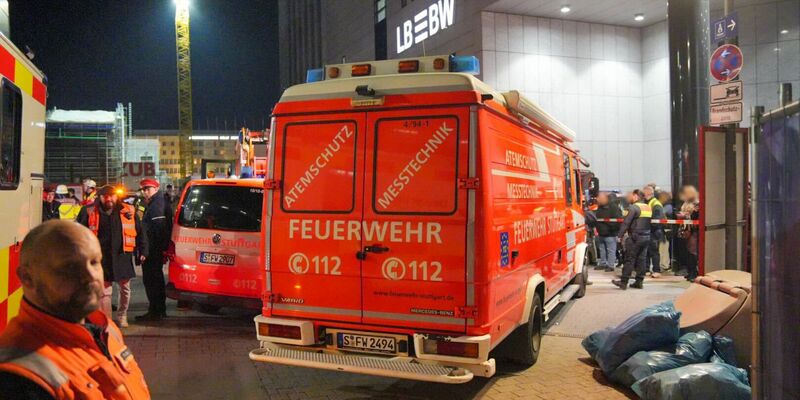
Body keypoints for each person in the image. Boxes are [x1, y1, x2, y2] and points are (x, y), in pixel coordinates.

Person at [0, 221, 150, 399]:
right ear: (27, 277)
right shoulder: (17, 378)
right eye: (70, 267)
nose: (90, 276)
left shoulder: (106, 329)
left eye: (95, 262)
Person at [76, 185, 148, 327]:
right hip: (101, 258)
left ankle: (122, 316)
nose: (109, 199)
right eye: (105, 196)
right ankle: (107, 320)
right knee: (105, 291)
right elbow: (79, 233)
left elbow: (140, 232)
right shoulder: (88, 211)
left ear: (117, 196)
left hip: (122, 256)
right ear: (100, 197)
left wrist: (143, 251)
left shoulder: (128, 211)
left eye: (112, 196)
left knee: (125, 289)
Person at [137, 178, 172, 321]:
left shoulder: (157, 204)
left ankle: (155, 311)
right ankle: (158, 310)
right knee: (155, 280)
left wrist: (153, 250)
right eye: (143, 189)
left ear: (156, 189)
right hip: (154, 249)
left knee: (152, 280)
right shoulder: (155, 202)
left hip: (153, 250)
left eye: (148, 189)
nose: (145, 192)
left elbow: (159, 229)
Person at [612, 190, 652, 290]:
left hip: (635, 237)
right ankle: (639, 282)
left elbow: (626, 223)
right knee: (642, 260)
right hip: (646, 236)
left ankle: (623, 282)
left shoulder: (633, 207)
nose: (630, 197)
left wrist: (619, 235)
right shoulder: (648, 207)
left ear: (636, 196)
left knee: (629, 259)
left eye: (632, 195)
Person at [676, 185, 700, 281]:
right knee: (687, 251)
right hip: (686, 229)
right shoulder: (687, 202)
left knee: (692, 252)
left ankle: (693, 273)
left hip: (693, 230)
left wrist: (685, 215)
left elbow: (695, 215)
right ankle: (690, 271)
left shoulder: (696, 203)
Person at [593, 193, 622, 272]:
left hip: (610, 233)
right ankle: (603, 263)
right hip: (601, 233)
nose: (598, 200)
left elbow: (618, 220)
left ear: (605, 198)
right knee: (602, 249)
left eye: (600, 198)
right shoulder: (600, 207)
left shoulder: (613, 207)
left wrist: (612, 229)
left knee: (611, 250)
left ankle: (610, 265)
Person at [642, 186, 665, 278]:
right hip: (648, 230)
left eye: (644, 194)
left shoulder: (656, 204)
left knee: (654, 252)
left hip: (654, 231)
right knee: (646, 251)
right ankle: (647, 269)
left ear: (649, 193)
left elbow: (657, 220)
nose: (643, 196)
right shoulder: (647, 203)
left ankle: (656, 270)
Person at [658, 191, 674, 272]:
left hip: (666, 230)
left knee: (664, 248)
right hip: (666, 229)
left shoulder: (667, 206)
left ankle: (665, 264)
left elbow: (661, 214)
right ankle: (664, 264)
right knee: (663, 248)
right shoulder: (668, 205)